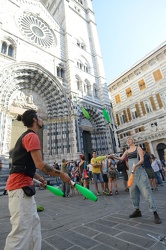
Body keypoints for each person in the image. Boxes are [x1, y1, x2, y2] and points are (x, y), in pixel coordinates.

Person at [4, 109, 70, 250]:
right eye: (39, 117)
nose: (41, 119)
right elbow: (39, 164)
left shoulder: (25, 136)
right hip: (20, 188)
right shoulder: (32, 136)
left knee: (33, 223)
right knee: (21, 230)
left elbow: (25, 165)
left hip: (23, 187)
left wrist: (40, 178)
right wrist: (62, 175)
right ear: (34, 119)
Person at [109, 137, 161, 224]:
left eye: (129, 139)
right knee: (133, 193)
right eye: (127, 140)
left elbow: (142, 160)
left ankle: (155, 213)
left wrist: (135, 165)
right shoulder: (127, 151)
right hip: (131, 174)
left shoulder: (138, 148)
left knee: (147, 193)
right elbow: (121, 159)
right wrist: (112, 156)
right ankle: (137, 210)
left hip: (140, 173)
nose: (128, 141)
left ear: (133, 141)